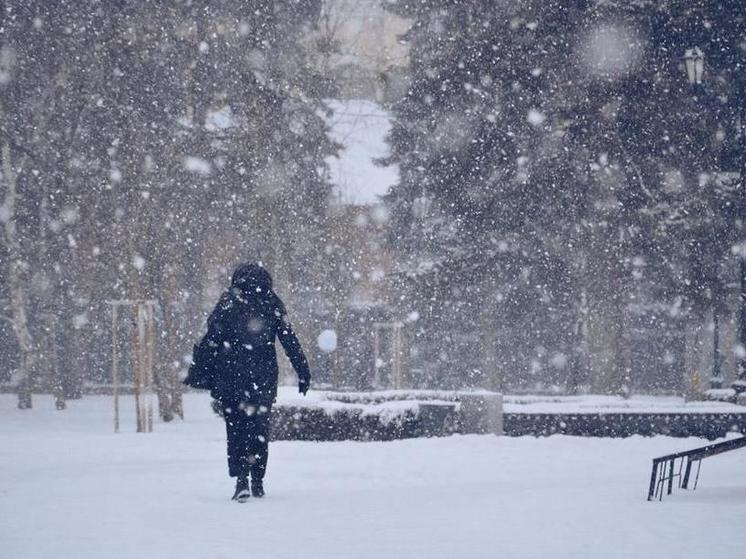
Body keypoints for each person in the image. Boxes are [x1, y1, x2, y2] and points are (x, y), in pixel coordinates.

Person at [185, 262, 311, 502]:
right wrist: (303, 372)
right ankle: (258, 480)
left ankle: (241, 478)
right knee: (259, 429)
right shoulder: (272, 302)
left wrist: (199, 372)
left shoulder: (228, 302)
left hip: (231, 379)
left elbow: (210, 338)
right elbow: (289, 339)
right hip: (262, 380)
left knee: (236, 430)